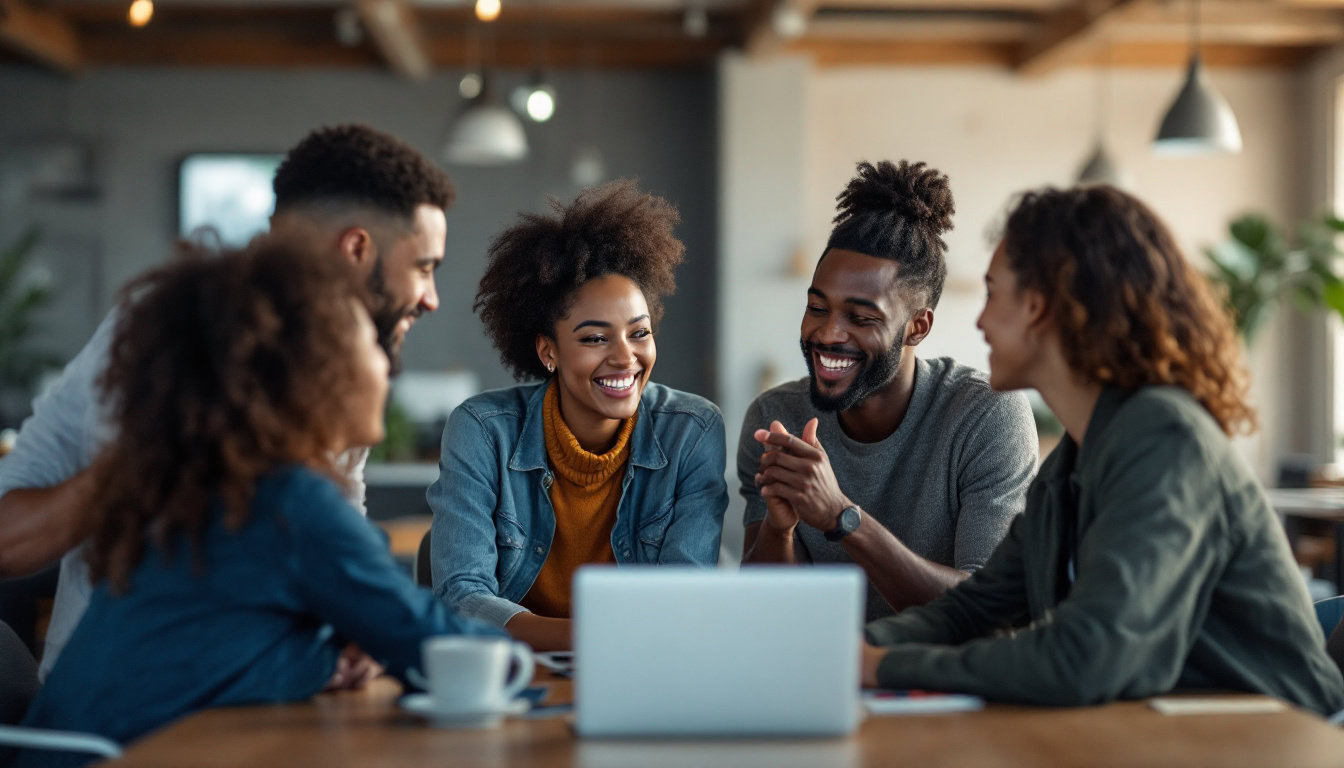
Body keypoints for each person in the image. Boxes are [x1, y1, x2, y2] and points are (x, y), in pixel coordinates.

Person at [860, 185, 1344, 715]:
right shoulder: (1071, 462)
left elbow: (1083, 659)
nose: (981, 322)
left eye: (993, 293)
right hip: (1170, 733)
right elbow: (972, 610)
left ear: (1040, 306)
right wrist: (859, 646)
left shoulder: (1165, 441)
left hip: (1275, 740)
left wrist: (882, 667)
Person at [0, 124, 453, 682]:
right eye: (425, 266)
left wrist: (348, 628)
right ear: (357, 248)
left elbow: (339, 548)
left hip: (258, 701)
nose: (432, 297)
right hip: (128, 724)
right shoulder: (167, 335)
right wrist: (147, 461)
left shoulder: (347, 368)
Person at [17, 242, 495, 766]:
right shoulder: (290, 500)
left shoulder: (206, 490)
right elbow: (433, 641)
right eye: (370, 345)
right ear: (315, 370)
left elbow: (222, 660)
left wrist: (327, 655)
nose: (388, 367)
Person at [428, 180, 727, 651]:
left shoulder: (691, 431)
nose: (625, 357)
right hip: (517, 674)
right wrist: (588, 640)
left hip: (641, 669)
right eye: (594, 339)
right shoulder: (483, 431)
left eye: (639, 333)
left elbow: (683, 596)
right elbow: (461, 596)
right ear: (549, 350)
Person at [740, 160, 1037, 621]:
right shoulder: (776, 416)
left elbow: (990, 610)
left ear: (917, 327)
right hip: (819, 676)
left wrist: (843, 518)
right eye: (817, 307)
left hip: (939, 682)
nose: (828, 333)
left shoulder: (987, 415)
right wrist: (778, 529)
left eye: (861, 318)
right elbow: (758, 617)